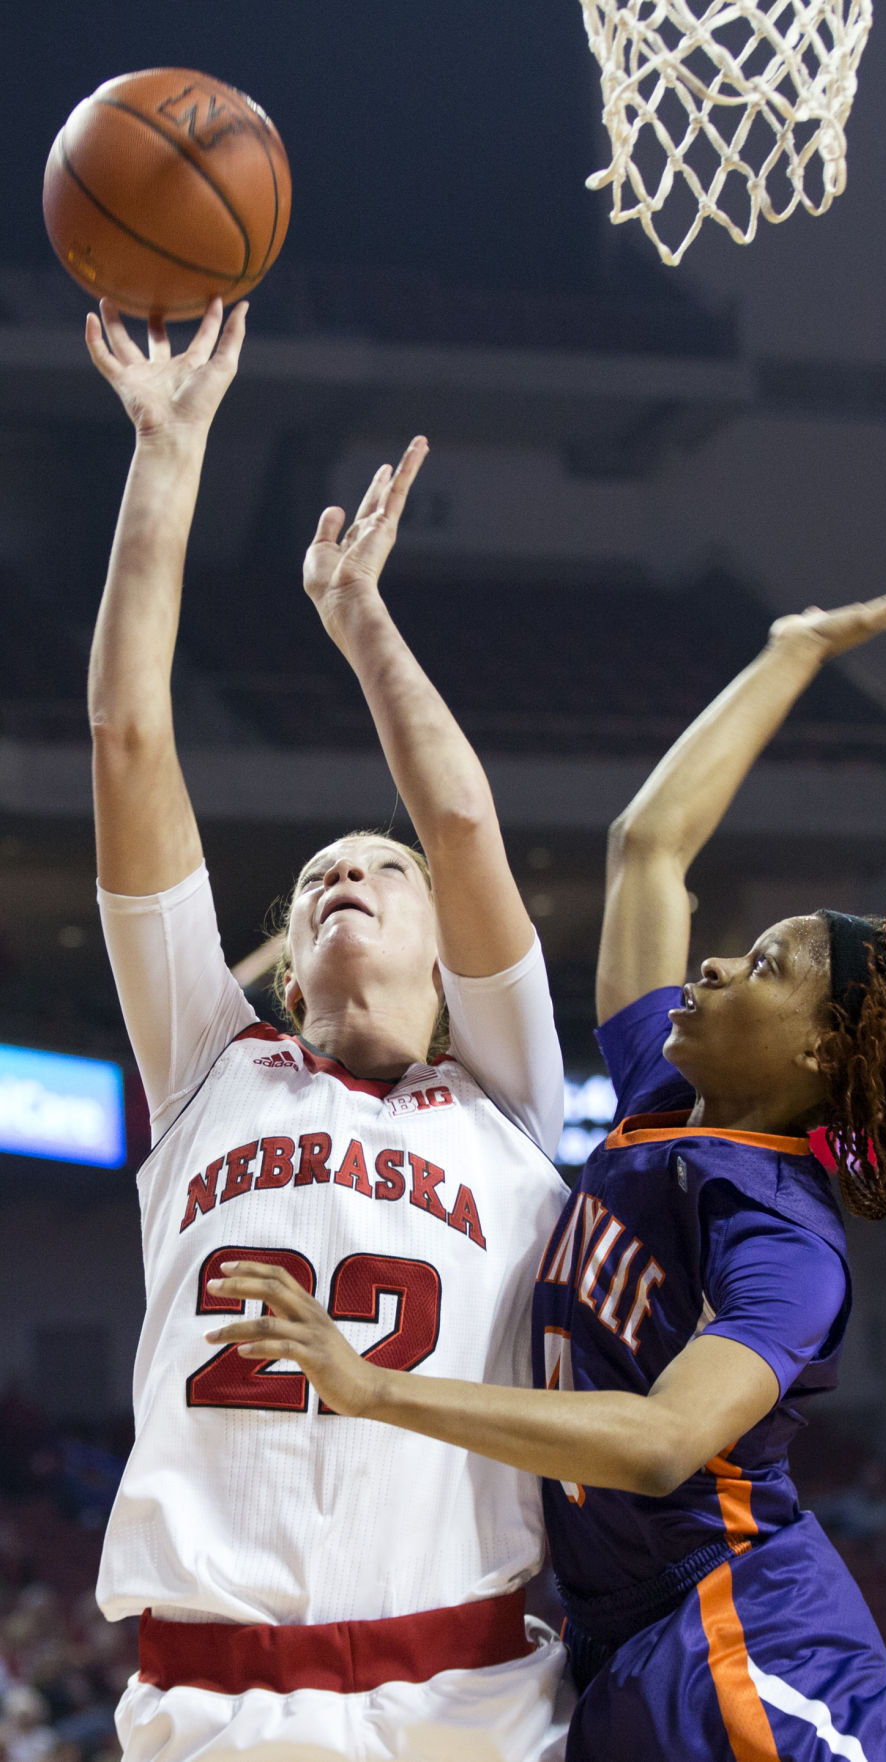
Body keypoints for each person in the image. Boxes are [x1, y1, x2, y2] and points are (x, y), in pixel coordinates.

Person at [210, 591, 886, 1762]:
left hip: (748, 1632)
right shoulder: (664, 1104)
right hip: (615, 1640)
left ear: (819, 1051)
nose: (712, 964)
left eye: (761, 966)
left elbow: (665, 1439)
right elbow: (648, 847)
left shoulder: (782, 1238)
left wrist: (374, 1389)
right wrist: (786, 654)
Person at [84, 297, 569, 1762]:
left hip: (464, 1693)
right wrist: (167, 455)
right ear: (289, 967)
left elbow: (463, 816)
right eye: (314, 879)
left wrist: (361, 622)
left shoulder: (505, 1093)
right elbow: (127, 738)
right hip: (209, 1696)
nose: (346, 874)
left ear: (445, 944)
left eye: (381, 869)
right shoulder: (207, 1069)